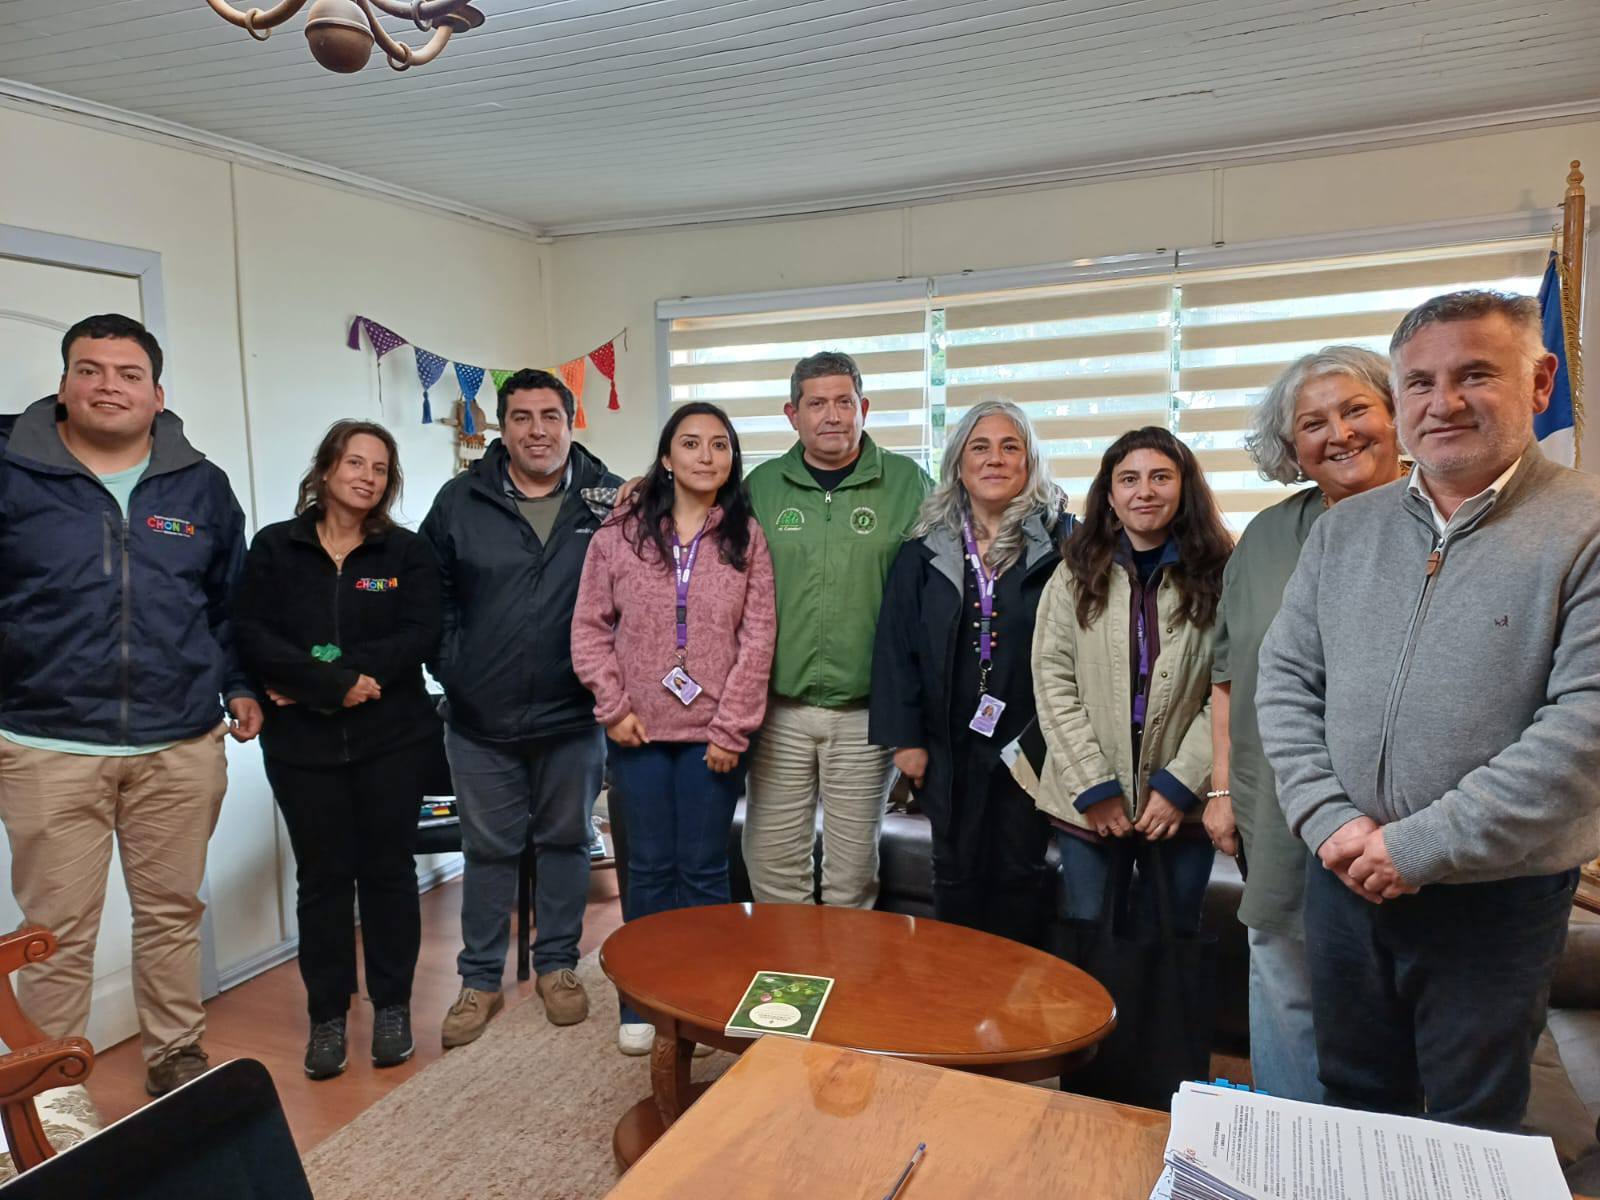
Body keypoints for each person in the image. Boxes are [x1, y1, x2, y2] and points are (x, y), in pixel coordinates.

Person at [1257, 291, 1600, 1130]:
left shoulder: (1585, 529)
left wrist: (1415, 846)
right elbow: (1285, 680)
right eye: (1419, 383)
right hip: (1343, 878)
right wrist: (1331, 822)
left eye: (1474, 374)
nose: (1442, 403)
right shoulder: (1345, 532)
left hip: (1496, 891)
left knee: (1471, 1122)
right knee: (1354, 1102)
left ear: (1541, 380)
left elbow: (1584, 727)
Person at [0, 313, 261, 1096]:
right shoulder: (12, 475)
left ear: (156, 393)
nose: (108, 385)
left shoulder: (201, 485)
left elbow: (227, 606)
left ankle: (175, 1057)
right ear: (64, 383)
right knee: (55, 938)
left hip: (179, 741)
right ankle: (50, 1094)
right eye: (91, 369)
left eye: (127, 373)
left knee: (173, 912)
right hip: (49, 743)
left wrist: (239, 684)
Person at [1203, 347, 1403, 1103]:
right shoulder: (1263, 538)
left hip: (1394, 818)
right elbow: (1227, 678)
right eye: (1313, 423)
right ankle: (1288, 1149)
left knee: (1397, 998)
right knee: (1283, 981)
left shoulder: (1441, 518)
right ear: (1292, 448)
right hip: (1275, 806)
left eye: (1356, 410)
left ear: (1396, 415)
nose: (1339, 433)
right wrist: (1222, 790)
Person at [235, 420, 442, 1080]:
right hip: (302, 748)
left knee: (387, 873)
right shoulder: (274, 548)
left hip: (394, 739)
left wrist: (342, 680)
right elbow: (251, 633)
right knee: (322, 880)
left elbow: (419, 633)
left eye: (380, 468)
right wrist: (331, 685)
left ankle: (392, 1008)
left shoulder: (405, 554)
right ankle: (327, 1016)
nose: (367, 476)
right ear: (326, 469)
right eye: (354, 462)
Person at [420, 368, 621, 1047]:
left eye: (550, 416)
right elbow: (432, 594)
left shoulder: (611, 501)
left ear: (571, 422)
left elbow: (639, 601)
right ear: (501, 427)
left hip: (574, 715)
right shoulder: (458, 501)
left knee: (566, 842)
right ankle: (479, 981)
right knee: (489, 848)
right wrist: (453, 667)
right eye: (522, 417)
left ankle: (558, 967)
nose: (537, 430)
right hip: (481, 719)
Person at [571, 402, 776, 1054]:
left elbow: (759, 637)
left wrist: (731, 727)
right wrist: (613, 707)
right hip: (637, 732)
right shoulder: (620, 535)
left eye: (719, 445)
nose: (706, 456)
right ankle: (642, 1000)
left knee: (704, 873)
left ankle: (705, 995)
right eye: (691, 443)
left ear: (731, 460)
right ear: (666, 457)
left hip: (712, 740)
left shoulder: (746, 536)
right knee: (650, 872)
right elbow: (590, 627)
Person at [870, 400, 1073, 946]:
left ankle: (1015, 1013)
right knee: (955, 872)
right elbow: (896, 647)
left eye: (1011, 447)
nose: (995, 459)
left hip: (1032, 740)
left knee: (1019, 873)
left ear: (1030, 462)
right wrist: (905, 740)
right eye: (980, 447)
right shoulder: (924, 548)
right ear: (958, 462)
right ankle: (956, 1005)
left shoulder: (1063, 543)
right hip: (947, 742)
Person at [742, 351, 932, 908]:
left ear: (864, 408)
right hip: (779, 711)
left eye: (844, 402)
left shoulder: (909, 484)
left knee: (852, 877)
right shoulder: (761, 488)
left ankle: (845, 989)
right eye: (817, 403)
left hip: (866, 714)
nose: (832, 415)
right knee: (774, 869)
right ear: (792, 413)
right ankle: (786, 987)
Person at [1029, 426, 1231, 934]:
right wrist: (1094, 786)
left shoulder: (1222, 573)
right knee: (1088, 935)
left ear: (1184, 489)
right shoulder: (1073, 573)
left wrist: (1181, 783)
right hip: (1089, 801)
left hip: (1181, 806)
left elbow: (1230, 687)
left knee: (1175, 938)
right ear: (1110, 495)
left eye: (1161, 477)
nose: (1145, 491)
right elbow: (1053, 683)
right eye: (1129, 479)